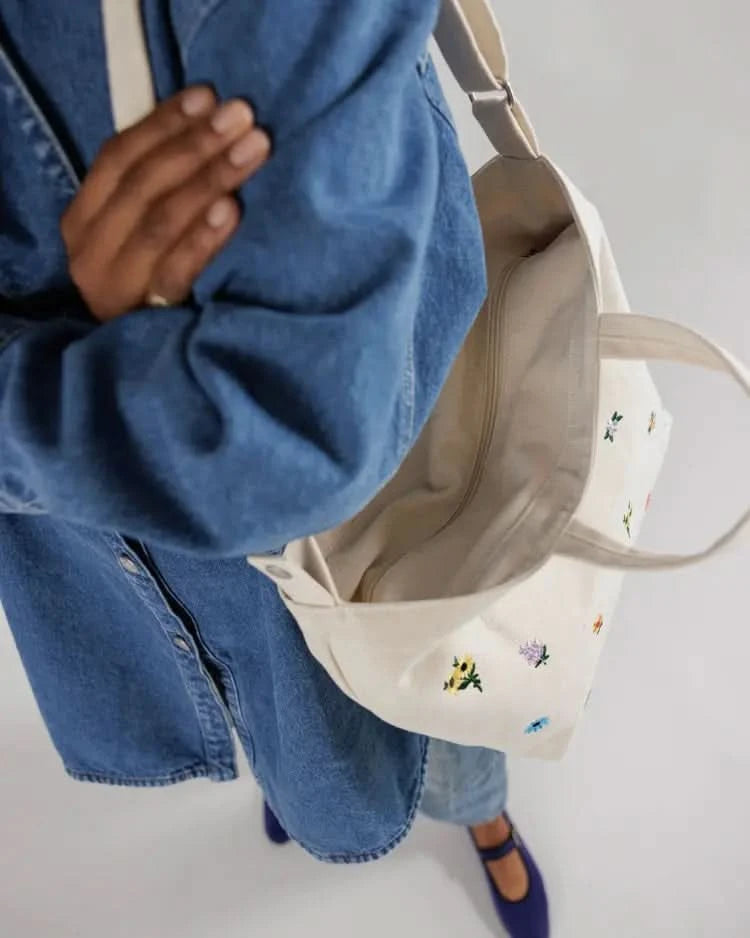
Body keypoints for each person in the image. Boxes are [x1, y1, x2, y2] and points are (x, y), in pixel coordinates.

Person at [0, 2, 547, 935]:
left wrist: (52, 363)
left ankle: (481, 813)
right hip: (120, 556)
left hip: (394, 478)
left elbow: (292, 437)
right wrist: (102, 348)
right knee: (284, 702)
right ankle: (296, 761)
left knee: (442, 672)